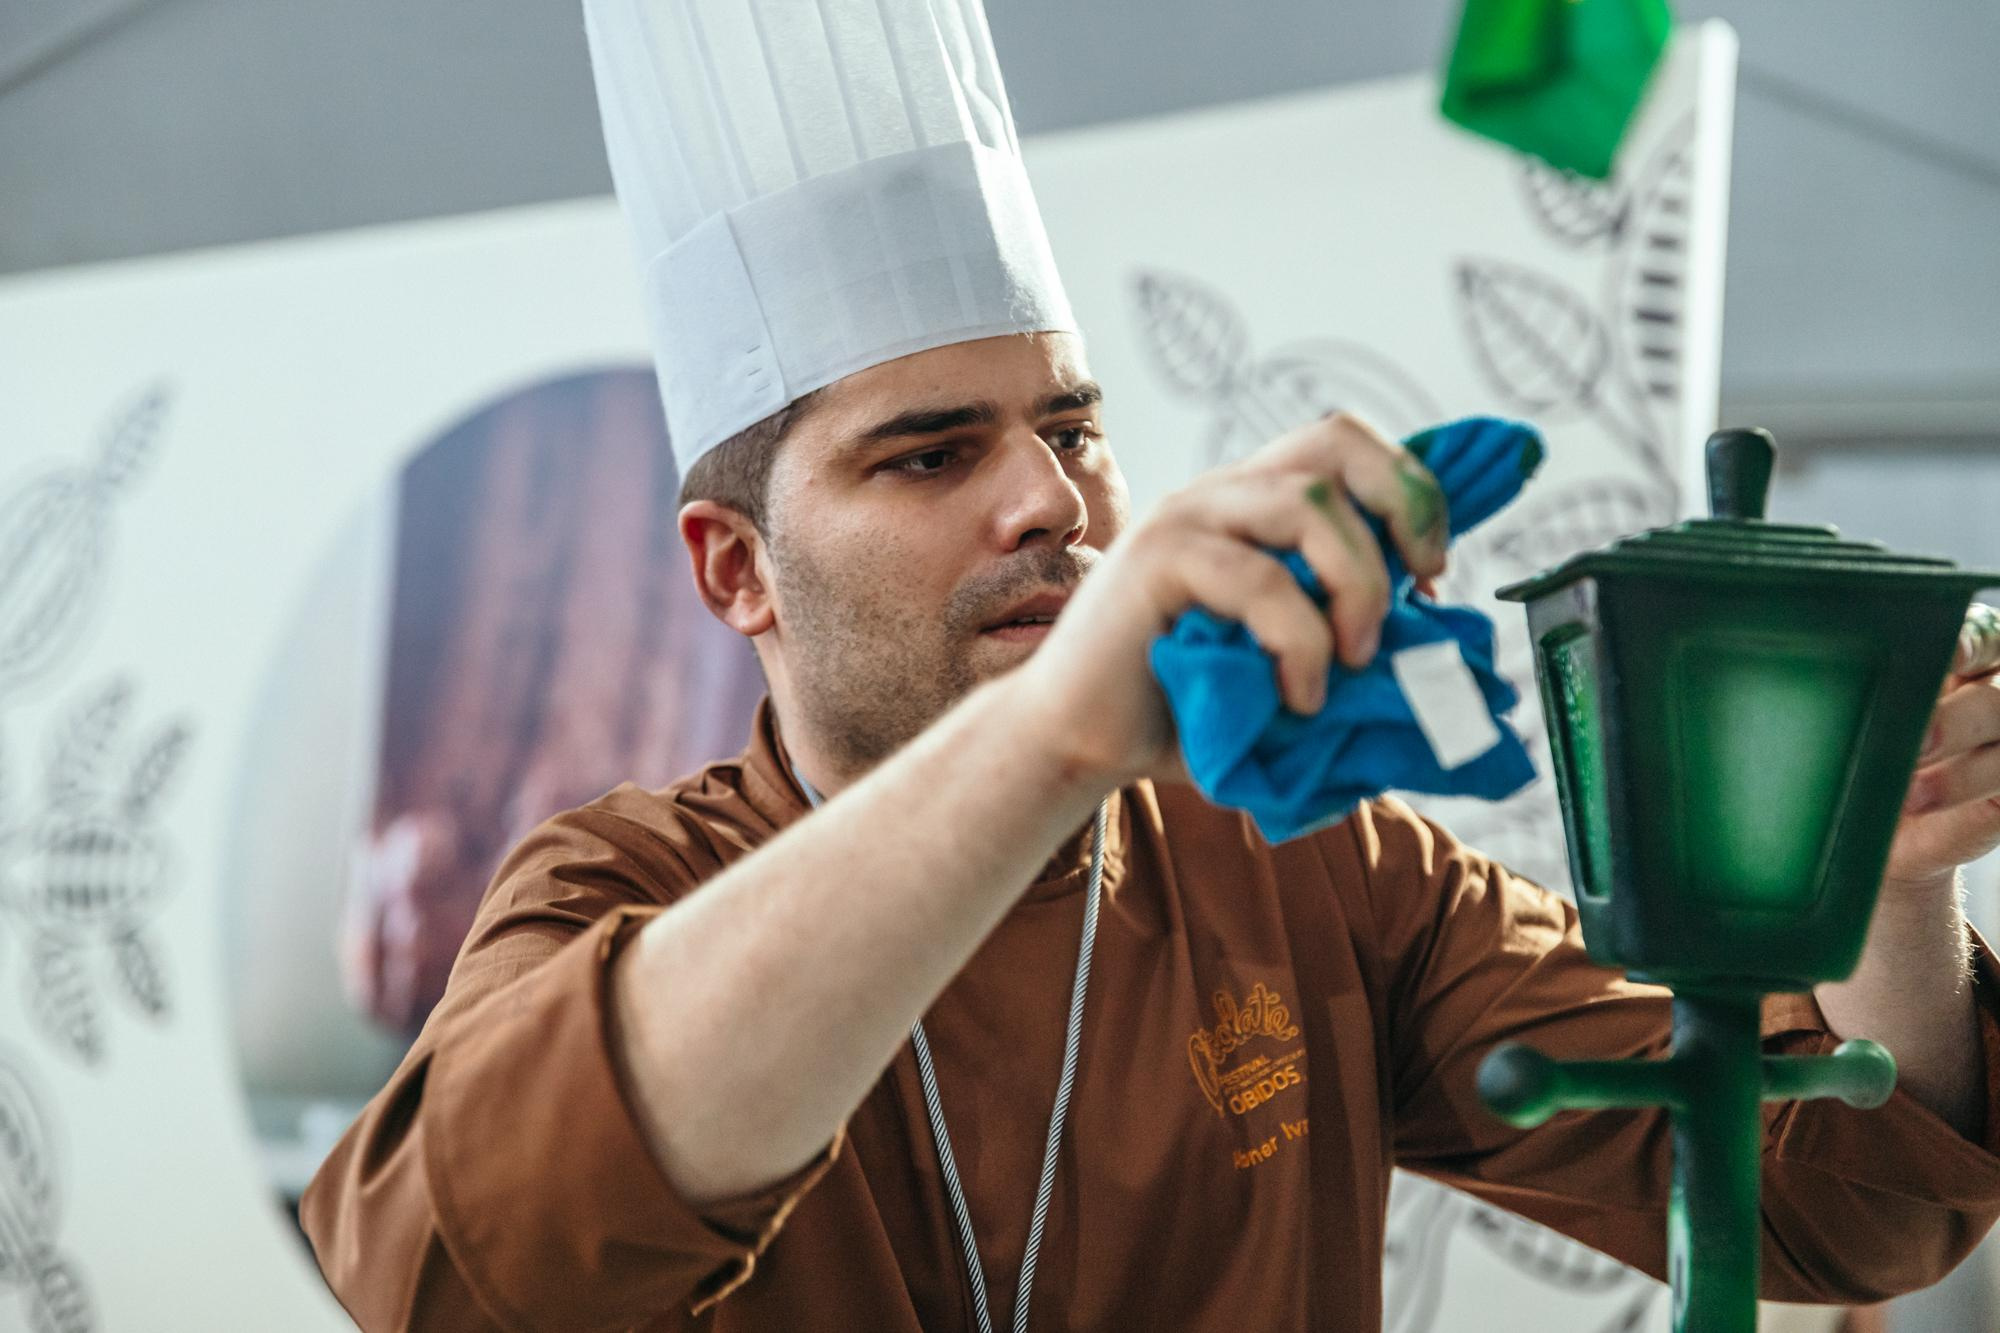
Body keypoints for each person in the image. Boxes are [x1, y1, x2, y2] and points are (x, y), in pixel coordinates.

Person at [301, 3, 2000, 1329]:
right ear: (734, 567)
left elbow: (1837, 1197)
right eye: (929, 454)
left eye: (1070, 428)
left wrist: (1896, 871)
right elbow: (447, 1273)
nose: (1050, 500)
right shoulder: (626, 884)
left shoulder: (1309, 868)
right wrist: (1051, 735)